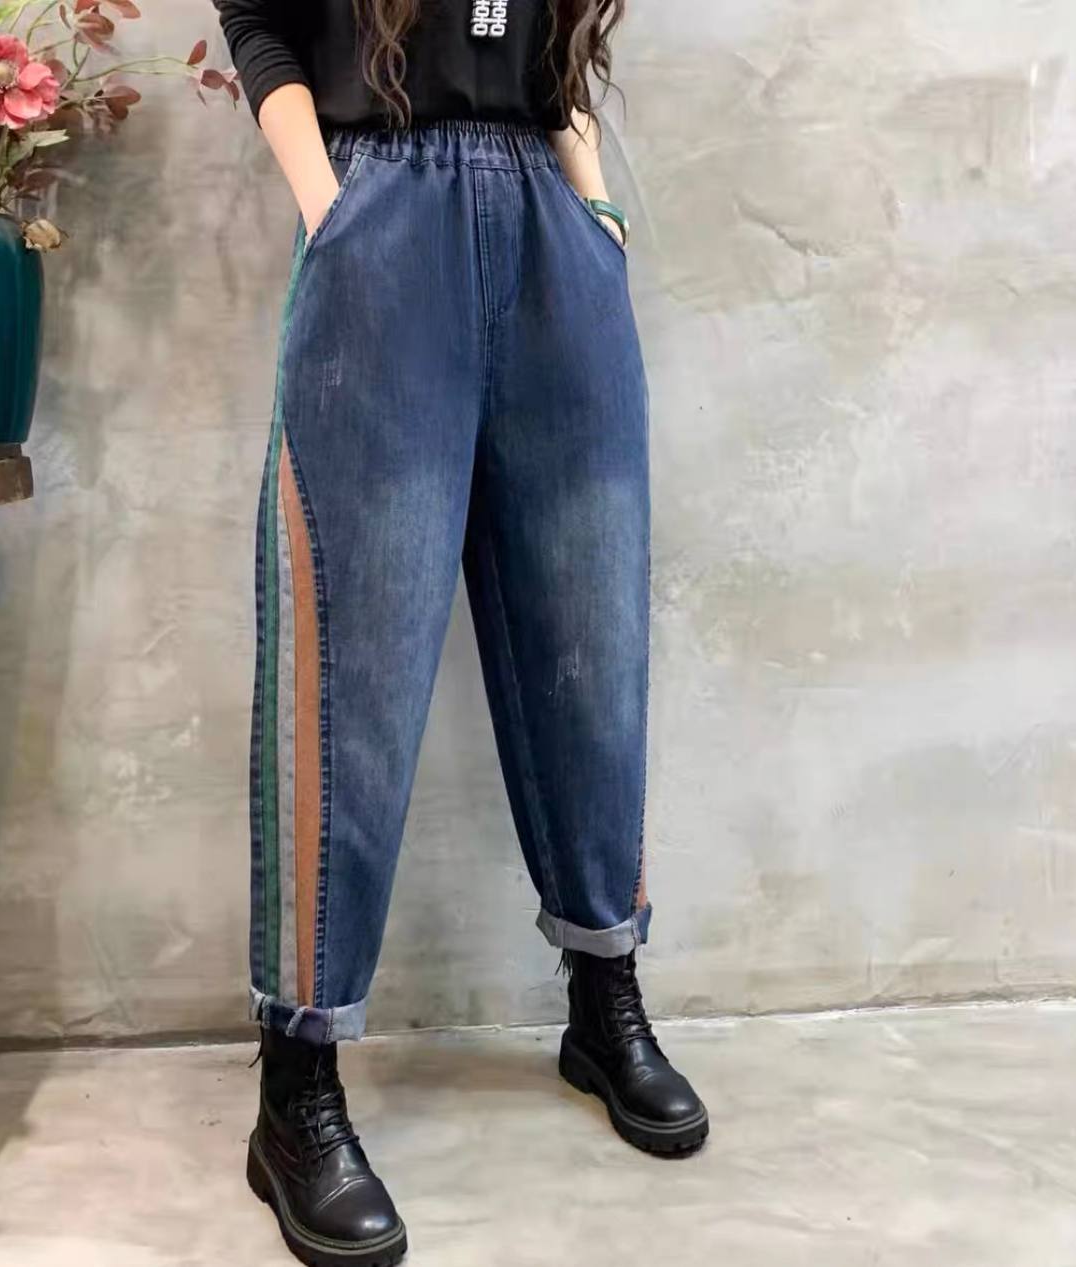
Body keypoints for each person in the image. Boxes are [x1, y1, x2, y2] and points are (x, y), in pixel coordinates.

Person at [214, 3, 708, 1263]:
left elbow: (554, 55)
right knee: (354, 666)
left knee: (589, 631)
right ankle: (295, 1086)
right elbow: (256, 20)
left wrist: (593, 212)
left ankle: (601, 995)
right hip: (379, 207)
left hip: (548, 218)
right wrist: (331, 210)